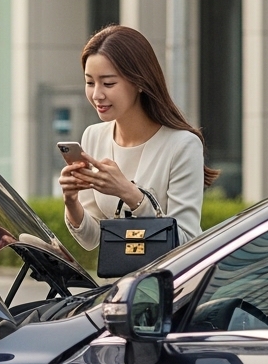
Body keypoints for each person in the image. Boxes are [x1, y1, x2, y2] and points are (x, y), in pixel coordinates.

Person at [59, 24, 219, 250]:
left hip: (173, 282)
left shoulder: (182, 145)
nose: (97, 95)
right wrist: (71, 201)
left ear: (139, 82)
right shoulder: (93, 136)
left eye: (108, 83)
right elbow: (92, 240)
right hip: (122, 284)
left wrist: (131, 195)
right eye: (90, 82)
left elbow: (186, 243)